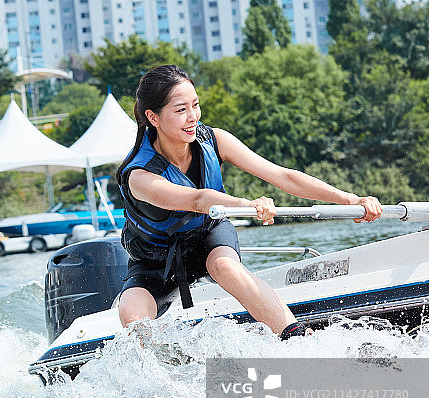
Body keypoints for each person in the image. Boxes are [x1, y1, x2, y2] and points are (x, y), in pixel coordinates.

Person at [116, 65, 382, 340]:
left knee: (225, 266)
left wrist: (348, 198)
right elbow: (198, 199)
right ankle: (167, 374)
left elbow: (283, 176)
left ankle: (297, 337)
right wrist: (247, 204)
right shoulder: (141, 175)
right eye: (181, 110)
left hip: (207, 235)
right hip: (156, 259)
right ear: (153, 117)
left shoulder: (214, 140)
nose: (192, 117)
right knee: (131, 315)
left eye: (195, 105)